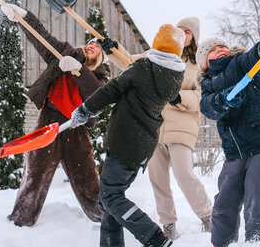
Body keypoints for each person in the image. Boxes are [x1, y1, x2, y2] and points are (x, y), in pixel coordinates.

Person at [70, 24, 186, 247]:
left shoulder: (144, 67)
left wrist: (85, 110)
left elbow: (111, 89)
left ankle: (154, 237)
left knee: (111, 198)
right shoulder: (173, 77)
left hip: (126, 140)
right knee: (110, 201)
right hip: (143, 144)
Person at [104, 17, 212, 240]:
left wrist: (180, 96)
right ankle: (168, 224)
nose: (183, 33)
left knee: (184, 175)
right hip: (153, 127)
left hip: (181, 127)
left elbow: (202, 95)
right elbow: (129, 63)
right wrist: (113, 49)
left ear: (193, 37)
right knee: (158, 178)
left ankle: (208, 216)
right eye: (179, 29)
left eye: (188, 31)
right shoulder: (156, 55)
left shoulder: (197, 65)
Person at [0, 3, 108, 227]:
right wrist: (22, 17)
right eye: (90, 42)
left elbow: (95, 95)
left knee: (88, 179)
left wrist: (79, 70)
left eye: (97, 45)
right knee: (35, 172)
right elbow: (42, 38)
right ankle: (21, 220)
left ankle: (104, 217)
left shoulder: (101, 78)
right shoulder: (65, 53)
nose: (92, 45)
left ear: (102, 56)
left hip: (75, 127)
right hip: (49, 120)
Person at [196, 37, 260, 247]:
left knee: (258, 200)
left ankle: (259, 241)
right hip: (234, 151)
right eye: (213, 49)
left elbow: (253, 58)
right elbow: (208, 107)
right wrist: (223, 100)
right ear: (204, 62)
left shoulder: (239, 63)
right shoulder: (208, 86)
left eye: (222, 46)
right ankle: (221, 242)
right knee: (224, 203)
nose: (220, 49)